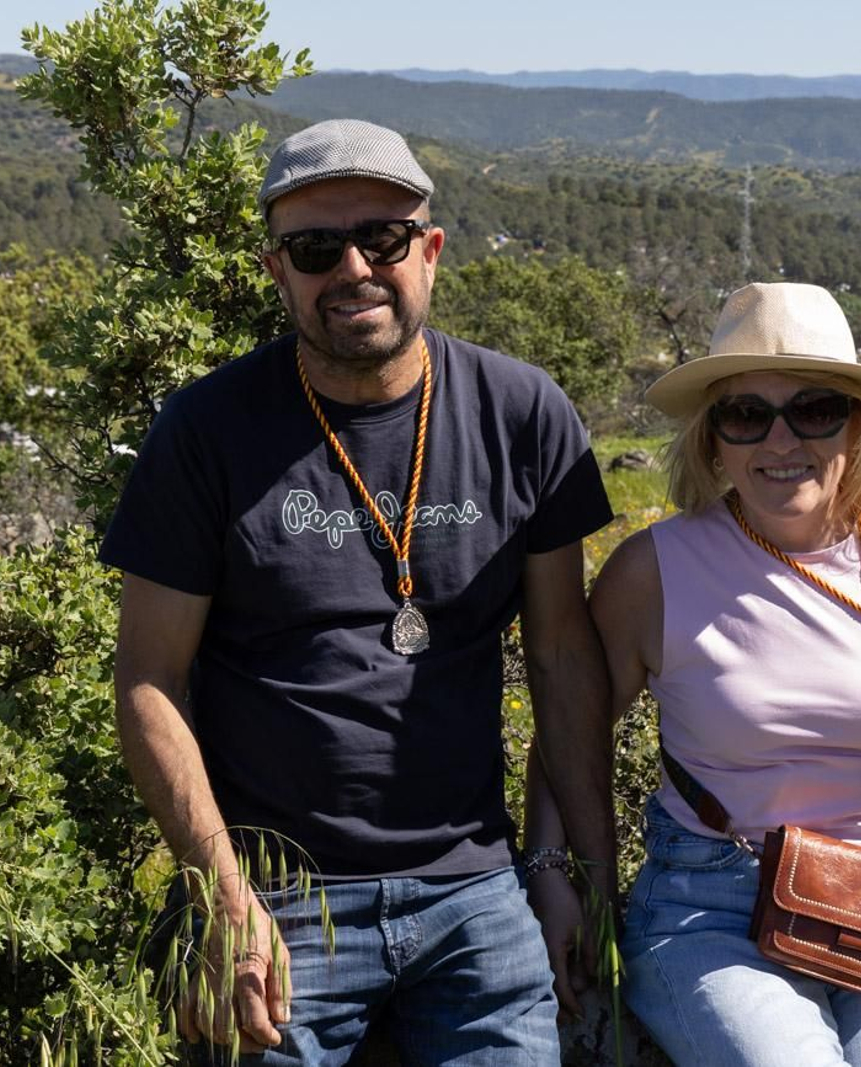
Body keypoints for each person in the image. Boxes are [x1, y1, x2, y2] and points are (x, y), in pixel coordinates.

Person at [100, 118, 616, 1065]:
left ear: (431, 251)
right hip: (278, 894)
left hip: (474, 888)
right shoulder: (206, 431)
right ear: (276, 270)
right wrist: (222, 894)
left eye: (382, 237)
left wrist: (579, 869)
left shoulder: (522, 413)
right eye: (314, 248)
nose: (353, 268)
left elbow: (560, 654)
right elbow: (149, 679)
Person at [584, 282, 861, 1065]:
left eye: (815, 409)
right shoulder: (652, 571)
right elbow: (570, 742)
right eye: (746, 413)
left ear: (860, 424)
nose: (780, 440)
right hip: (708, 907)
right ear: (712, 436)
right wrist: (558, 878)